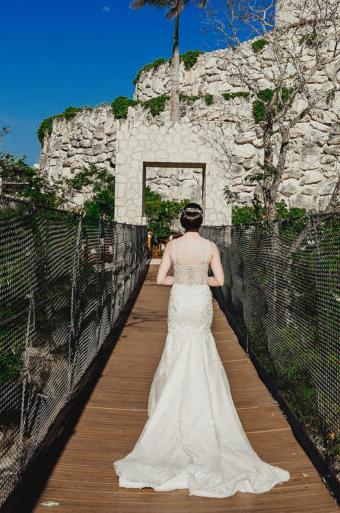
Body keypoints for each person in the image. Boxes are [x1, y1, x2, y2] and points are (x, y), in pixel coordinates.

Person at [113, 202, 290, 497]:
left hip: (181, 299)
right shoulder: (210, 246)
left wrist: (182, 278)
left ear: (183, 223)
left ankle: (173, 408)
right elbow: (219, 280)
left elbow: (160, 279)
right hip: (199, 301)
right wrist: (199, 278)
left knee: (178, 346)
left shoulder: (172, 245)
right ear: (202, 222)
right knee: (202, 346)